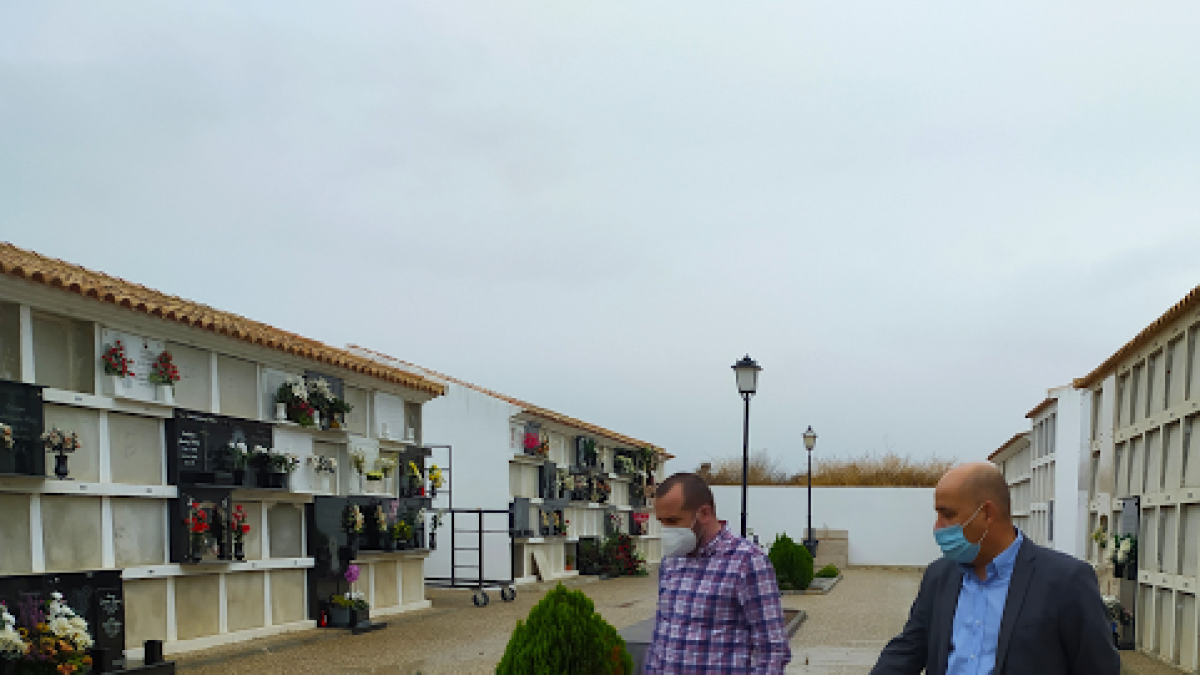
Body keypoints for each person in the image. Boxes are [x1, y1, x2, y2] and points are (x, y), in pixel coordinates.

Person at [871, 462, 1120, 675]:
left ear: (987, 513)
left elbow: (1098, 668)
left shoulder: (1066, 581)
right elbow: (908, 650)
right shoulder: (939, 576)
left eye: (947, 514)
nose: (938, 527)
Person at [644, 472, 791, 674]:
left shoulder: (747, 561)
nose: (667, 530)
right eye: (662, 522)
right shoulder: (671, 561)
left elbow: (773, 648)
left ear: (704, 513)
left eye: (673, 521)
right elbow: (663, 633)